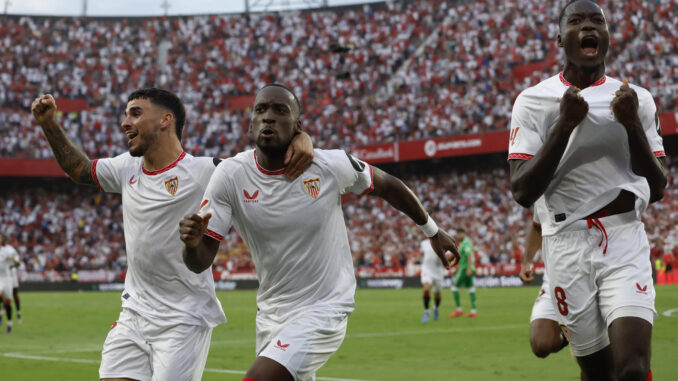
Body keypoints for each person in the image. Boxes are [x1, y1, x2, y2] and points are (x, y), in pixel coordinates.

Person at [179, 83, 460, 381]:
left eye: (280, 110)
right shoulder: (230, 175)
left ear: (298, 125)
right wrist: (192, 243)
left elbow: (388, 185)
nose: (268, 117)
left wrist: (432, 230)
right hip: (271, 314)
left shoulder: (327, 164)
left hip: (324, 307)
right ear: (251, 123)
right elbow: (198, 261)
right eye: (260, 110)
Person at [31, 88, 314, 381]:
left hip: (183, 320)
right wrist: (49, 123)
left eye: (136, 113)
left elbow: (263, 165)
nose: (125, 123)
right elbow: (79, 169)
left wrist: (301, 138)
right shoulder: (125, 168)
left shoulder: (207, 171)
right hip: (134, 313)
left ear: (166, 120)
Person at [508, 1, 667, 380]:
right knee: (597, 372)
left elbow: (658, 186)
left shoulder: (636, 99)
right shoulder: (533, 101)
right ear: (560, 38)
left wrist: (630, 125)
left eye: (598, 21)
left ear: (607, 37)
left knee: (631, 367)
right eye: (576, 21)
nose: (588, 27)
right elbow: (521, 190)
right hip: (565, 244)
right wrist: (565, 126)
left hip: (623, 236)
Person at [519, 212, 570, 358]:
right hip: (555, 278)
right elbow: (536, 226)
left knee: (594, 363)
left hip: (594, 275)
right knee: (541, 344)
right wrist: (527, 262)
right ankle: (568, 338)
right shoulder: (544, 194)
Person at [449, 227, 476, 318]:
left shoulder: (466, 243)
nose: (458, 236)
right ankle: (473, 311)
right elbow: (462, 258)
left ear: (463, 234)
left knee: (454, 287)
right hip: (466, 268)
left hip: (465, 269)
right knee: (470, 288)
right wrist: (456, 269)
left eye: (459, 234)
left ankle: (459, 310)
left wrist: (468, 268)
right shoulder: (463, 243)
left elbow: (469, 256)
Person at [419, 239, 445, 323]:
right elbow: (422, 254)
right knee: (426, 287)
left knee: (437, 294)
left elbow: (447, 255)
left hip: (438, 271)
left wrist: (441, 257)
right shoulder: (424, 243)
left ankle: (436, 308)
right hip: (427, 269)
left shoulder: (442, 242)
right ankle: (427, 311)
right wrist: (419, 259)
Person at [0, 234, 19, 333]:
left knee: (8, 302)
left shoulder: (6, 251)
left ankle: (9, 323)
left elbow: (17, 263)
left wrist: (14, 260)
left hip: (7, 278)